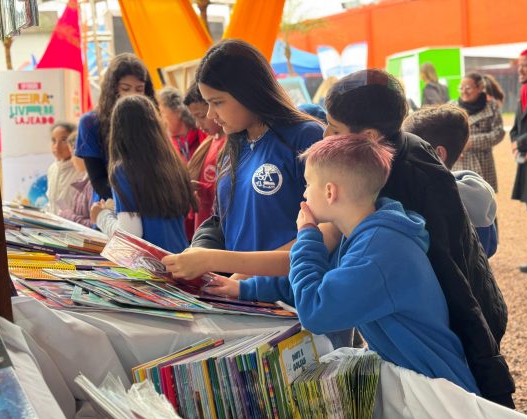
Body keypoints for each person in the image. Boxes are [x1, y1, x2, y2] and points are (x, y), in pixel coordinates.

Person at [204, 133, 480, 395]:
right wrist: (244, 289)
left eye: (307, 184)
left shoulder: (378, 251)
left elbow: (316, 312)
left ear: (330, 192)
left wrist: (307, 236)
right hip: (416, 379)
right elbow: (319, 281)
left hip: (438, 392)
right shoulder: (367, 233)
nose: (304, 194)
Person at [313, 69, 513, 407]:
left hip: (450, 334)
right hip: (447, 324)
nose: (325, 135)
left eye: (333, 128)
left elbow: (453, 275)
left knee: (470, 403)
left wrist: (491, 377)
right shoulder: (403, 147)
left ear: (370, 136)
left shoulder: (397, 183)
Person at [189, 39, 324, 255]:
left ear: (248, 91)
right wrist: (199, 250)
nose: (211, 114)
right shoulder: (232, 148)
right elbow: (221, 221)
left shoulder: (305, 137)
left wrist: (240, 268)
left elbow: (328, 229)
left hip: (291, 277)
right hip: (234, 277)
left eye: (217, 102)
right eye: (208, 103)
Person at [90, 95, 196, 253]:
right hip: (180, 258)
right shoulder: (172, 164)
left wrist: (101, 216)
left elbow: (131, 235)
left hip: (151, 264)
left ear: (117, 129)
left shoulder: (124, 170)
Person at [403, 105, 498, 257]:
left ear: (438, 154)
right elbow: (491, 248)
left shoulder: (423, 198)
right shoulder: (480, 196)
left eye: (411, 148)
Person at [75, 53, 158, 201]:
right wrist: (130, 203)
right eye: (126, 89)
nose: (133, 95)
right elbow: (98, 180)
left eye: (139, 89)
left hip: (151, 202)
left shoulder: (152, 119)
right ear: (113, 89)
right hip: (111, 205)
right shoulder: (90, 123)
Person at [183, 82, 227, 232]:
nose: (197, 124)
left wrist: (203, 189)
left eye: (201, 116)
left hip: (218, 226)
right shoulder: (212, 140)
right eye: (195, 117)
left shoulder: (228, 143)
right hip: (205, 222)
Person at [451, 72, 505, 192]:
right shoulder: (452, 107)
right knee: (460, 197)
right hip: (458, 163)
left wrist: (471, 142)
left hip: (483, 162)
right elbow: (444, 132)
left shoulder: (491, 106)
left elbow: (499, 133)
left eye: (468, 88)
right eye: (461, 88)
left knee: (485, 197)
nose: (464, 92)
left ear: (480, 88)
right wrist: (453, 146)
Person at [511, 48, 527, 273]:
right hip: (526, 163)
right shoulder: (524, 91)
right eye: (520, 65)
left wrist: (521, 142)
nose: (520, 70)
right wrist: (515, 141)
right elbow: (516, 126)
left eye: (525, 65)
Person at [158, 86, 207, 163]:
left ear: (178, 110)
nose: (160, 119)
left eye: (161, 112)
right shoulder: (167, 145)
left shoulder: (203, 130)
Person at [58, 131, 94, 227]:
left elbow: (96, 226)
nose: (71, 160)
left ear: (82, 154)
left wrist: (67, 215)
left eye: (72, 154)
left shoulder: (93, 186)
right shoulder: (83, 183)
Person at [46, 122, 83, 215]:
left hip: (73, 223)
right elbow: (52, 204)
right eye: (53, 140)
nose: (56, 146)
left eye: (63, 140)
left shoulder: (81, 170)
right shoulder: (52, 169)